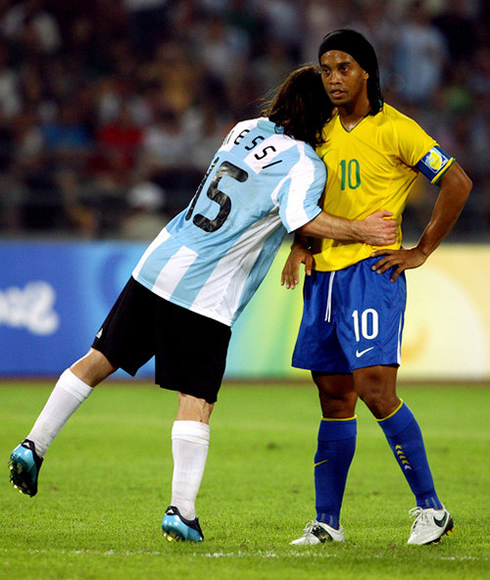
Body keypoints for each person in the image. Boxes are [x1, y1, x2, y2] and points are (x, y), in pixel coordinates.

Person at [8, 65, 397, 543]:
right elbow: (303, 215)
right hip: (206, 291)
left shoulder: (244, 129)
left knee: (97, 360)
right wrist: (361, 229)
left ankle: (34, 443)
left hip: (159, 260)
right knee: (196, 400)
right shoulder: (305, 163)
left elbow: (257, 194)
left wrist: (295, 243)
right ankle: (181, 512)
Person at [281, 30, 472, 547]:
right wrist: (301, 243)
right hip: (324, 276)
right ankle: (327, 523)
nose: (334, 78)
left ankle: (431, 509)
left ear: (366, 71)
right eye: (326, 69)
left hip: (372, 273)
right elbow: (308, 196)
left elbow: (457, 183)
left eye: (343, 67)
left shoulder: (397, 130)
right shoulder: (318, 131)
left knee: (374, 388)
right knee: (334, 395)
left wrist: (421, 250)